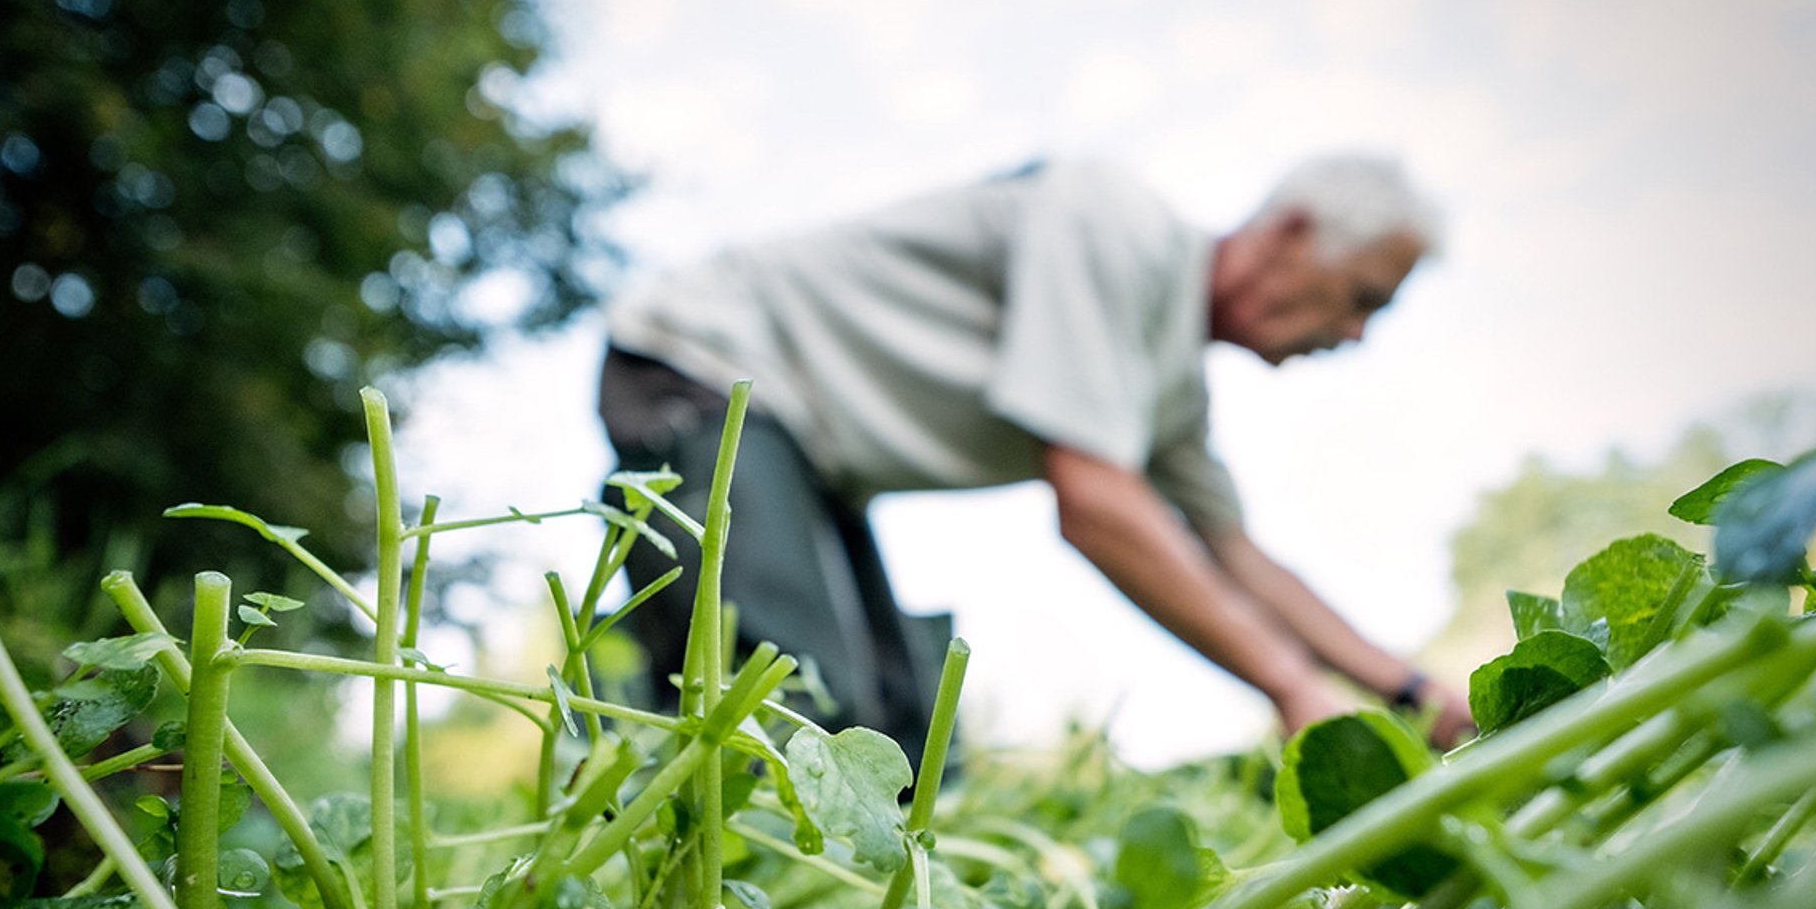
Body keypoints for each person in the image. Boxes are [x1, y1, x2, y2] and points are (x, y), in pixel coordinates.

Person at [598, 155, 1476, 763]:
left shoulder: (1167, 391)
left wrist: (1412, 692)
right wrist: (1289, 686)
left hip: (817, 455)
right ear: (1293, 231)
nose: (1356, 334)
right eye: (1364, 297)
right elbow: (1097, 503)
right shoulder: (1113, 223)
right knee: (784, 712)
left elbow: (1239, 559)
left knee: (896, 748)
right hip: (708, 366)